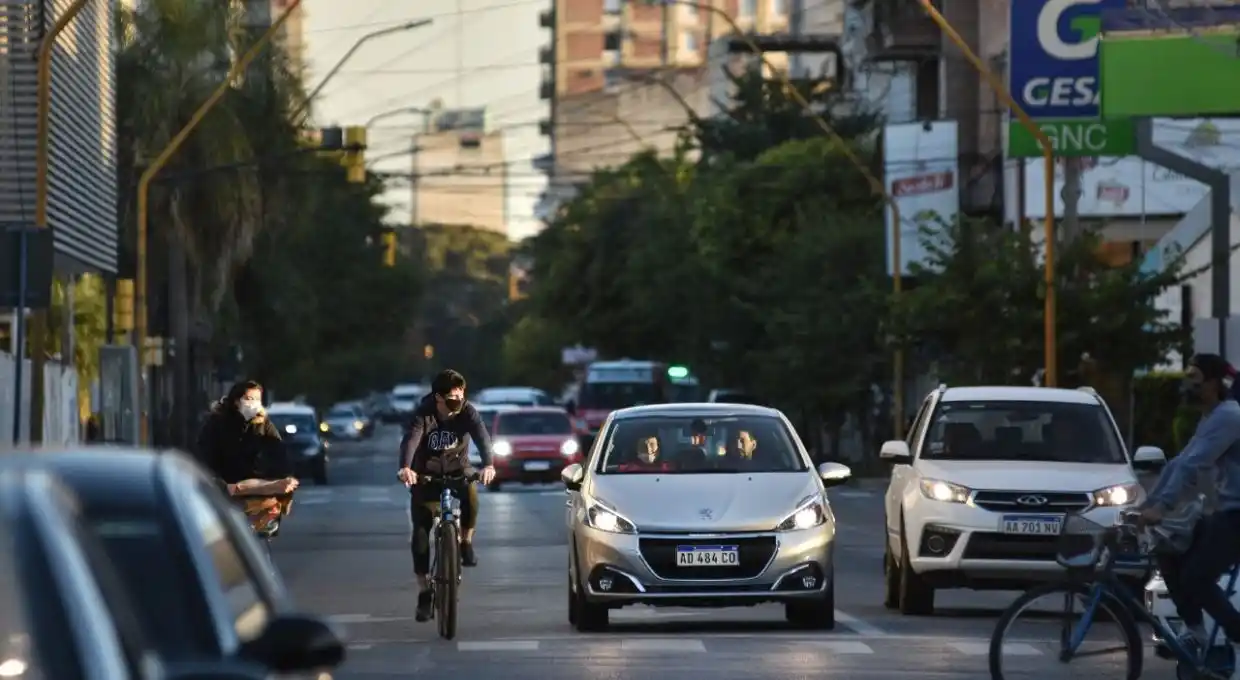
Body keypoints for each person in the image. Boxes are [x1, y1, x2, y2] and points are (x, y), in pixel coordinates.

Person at [1139, 353, 1240, 663]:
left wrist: (1163, 505)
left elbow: (1195, 464)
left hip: (1238, 514)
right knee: (1169, 549)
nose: (1188, 385)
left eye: (1194, 379)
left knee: (1196, 576)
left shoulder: (1229, 415)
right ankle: (1195, 632)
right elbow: (1180, 462)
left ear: (1213, 383)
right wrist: (1147, 505)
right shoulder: (1211, 416)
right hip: (1227, 510)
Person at [396, 369, 497, 623]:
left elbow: (482, 437)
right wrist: (406, 467)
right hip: (426, 475)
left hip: (458, 469)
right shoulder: (424, 413)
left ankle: (465, 541)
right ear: (438, 398)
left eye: (461, 398)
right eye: (452, 400)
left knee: (471, 495)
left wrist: (488, 464)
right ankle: (424, 591)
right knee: (420, 532)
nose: (457, 404)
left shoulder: (468, 411)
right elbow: (411, 439)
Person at [196, 380, 299, 527]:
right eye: (249, 399)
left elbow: (279, 454)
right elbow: (205, 456)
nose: (253, 404)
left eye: (257, 400)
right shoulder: (216, 424)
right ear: (236, 401)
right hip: (226, 490)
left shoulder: (263, 425)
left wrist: (283, 481)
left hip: (257, 493)